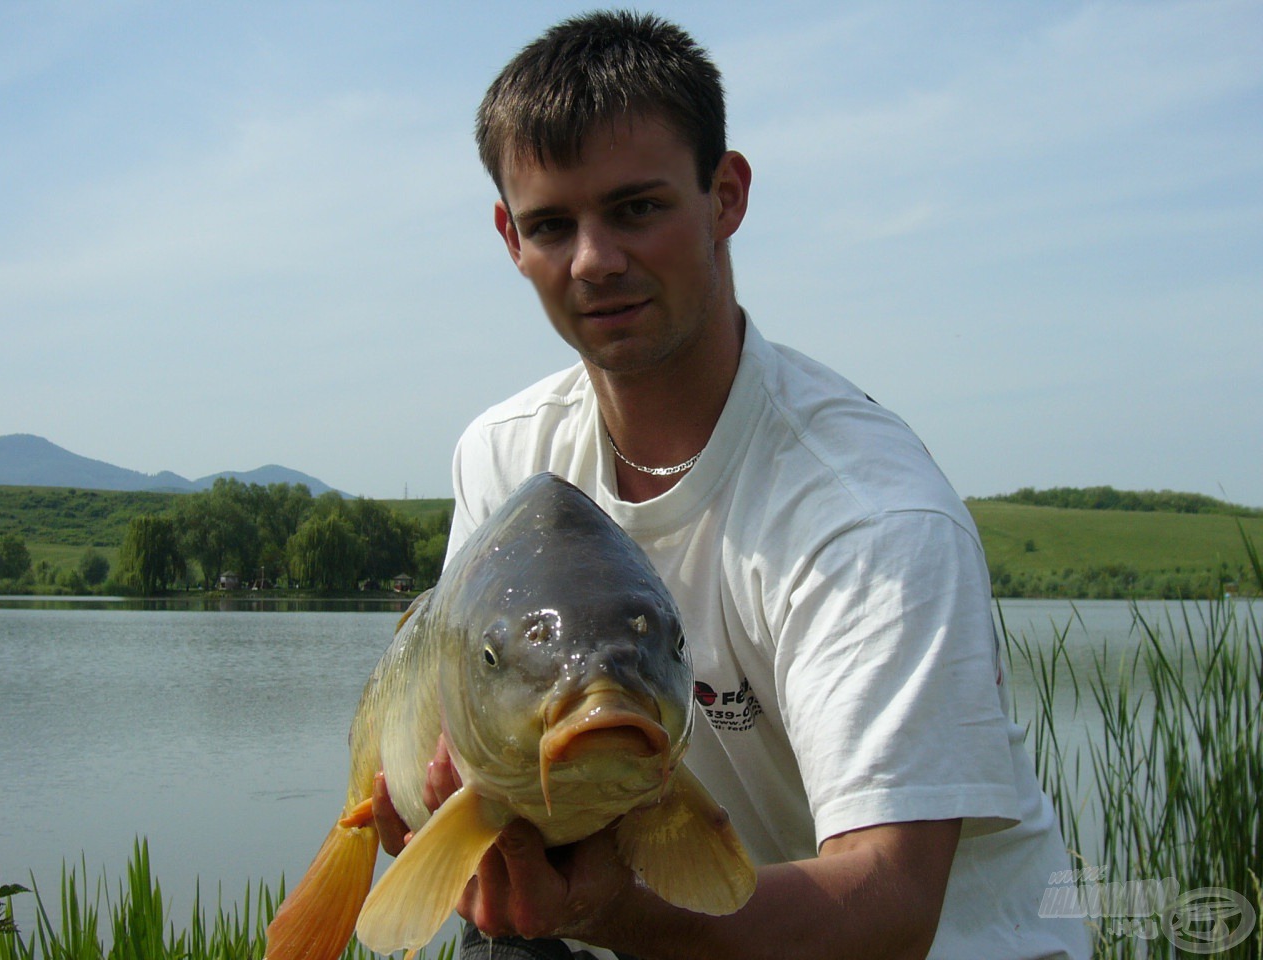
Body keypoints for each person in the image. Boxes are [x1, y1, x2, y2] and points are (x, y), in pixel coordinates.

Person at [375, 11, 1090, 960]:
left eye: (637, 208)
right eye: (552, 225)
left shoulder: (865, 515)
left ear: (726, 196)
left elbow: (888, 909)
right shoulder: (505, 460)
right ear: (509, 237)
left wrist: (603, 909)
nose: (594, 260)